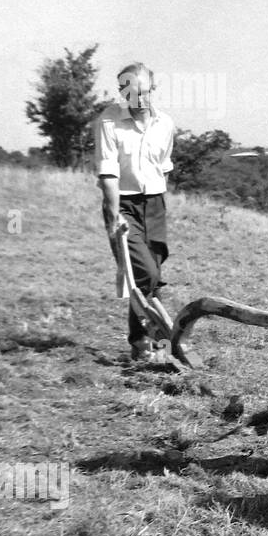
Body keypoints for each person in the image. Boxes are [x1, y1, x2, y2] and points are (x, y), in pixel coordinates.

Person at [94, 63, 177, 360]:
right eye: (129, 92)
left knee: (150, 277)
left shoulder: (165, 124)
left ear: (152, 90)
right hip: (123, 204)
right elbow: (108, 174)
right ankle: (153, 339)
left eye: (142, 92)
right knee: (146, 272)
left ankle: (143, 343)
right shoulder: (108, 122)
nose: (137, 99)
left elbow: (163, 167)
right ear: (122, 92)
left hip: (154, 204)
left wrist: (158, 201)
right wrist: (114, 214)